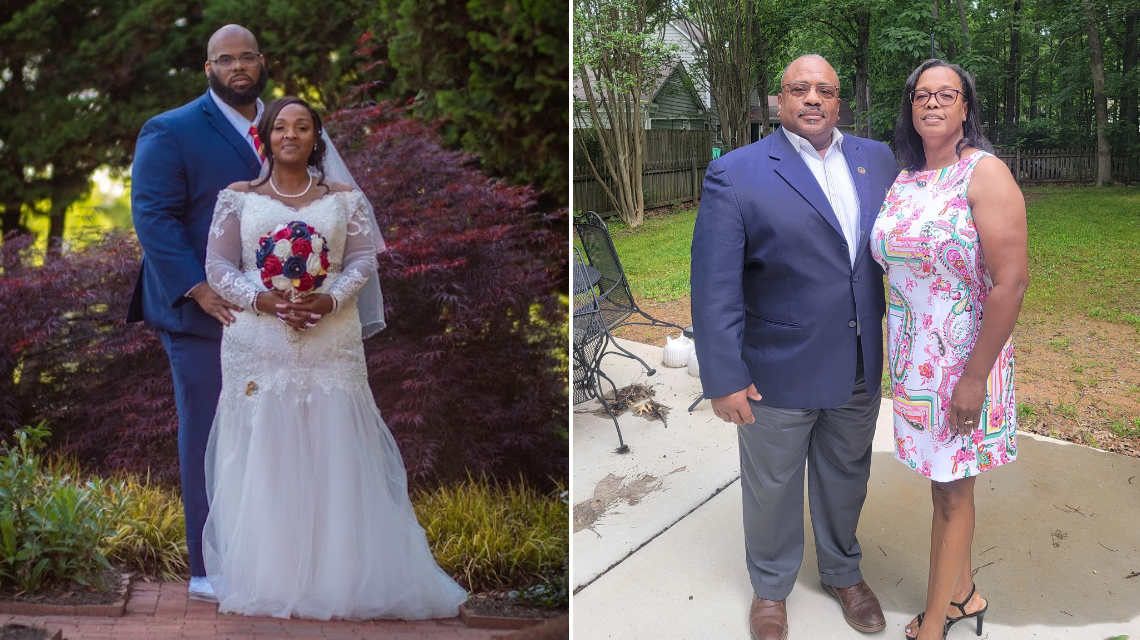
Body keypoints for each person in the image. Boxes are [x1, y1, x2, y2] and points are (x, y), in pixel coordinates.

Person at [200, 96, 467, 620]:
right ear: (266, 137)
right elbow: (218, 265)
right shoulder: (237, 198)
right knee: (267, 451)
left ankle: (341, 577)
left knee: (336, 444)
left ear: (316, 137)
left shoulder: (344, 199)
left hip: (330, 336)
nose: (291, 135)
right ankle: (274, 576)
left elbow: (363, 258)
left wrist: (330, 299)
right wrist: (262, 300)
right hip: (260, 342)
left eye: (302, 127)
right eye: (281, 127)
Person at [691, 54, 899, 640]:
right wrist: (724, 377)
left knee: (846, 476)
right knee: (773, 487)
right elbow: (714, 286)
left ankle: (842, 572)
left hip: (857, 363)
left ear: (838, 102)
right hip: (776, 369)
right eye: (799, 88)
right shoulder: (736, 173)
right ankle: (771, 587)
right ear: (779, 101)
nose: (813, 98)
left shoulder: (878, 160)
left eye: (824, 90)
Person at [871, 59, 1028, 640]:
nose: (932, 103)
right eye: (921, 94)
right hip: (916, 364)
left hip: (965, 366)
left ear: (966, 107)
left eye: (946, 94)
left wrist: (974, 378)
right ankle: (963, 594)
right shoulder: (906, 179)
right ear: (910, 106)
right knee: (944, 484)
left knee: (952, 495)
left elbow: (1011, 282)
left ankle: (937, 622)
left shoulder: (984, 174)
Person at [127, 24, 268, 603]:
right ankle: (206, 568)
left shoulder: (286, 125)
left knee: (273, 434)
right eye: (225, 59)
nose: (238, 67)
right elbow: (153, 216)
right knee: (208, 434)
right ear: (208, 68)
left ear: (262, 61)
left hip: (274, 313)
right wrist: (197, 288)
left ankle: (269, 556)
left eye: (246, 57)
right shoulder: (171, 129)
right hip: (200, 315)